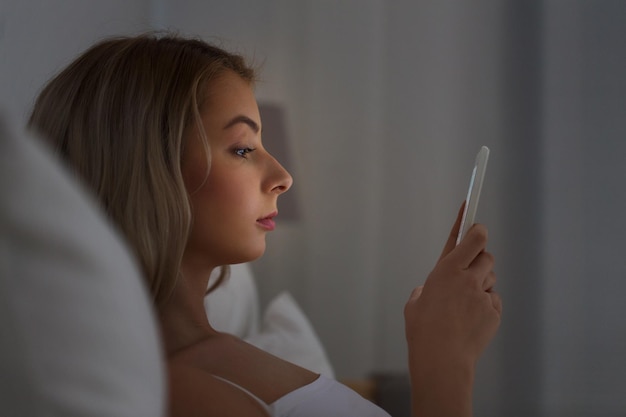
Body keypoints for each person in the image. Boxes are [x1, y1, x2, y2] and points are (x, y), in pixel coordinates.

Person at [28, 32, 502, 417]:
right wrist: (445, 366)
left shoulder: (200, 364)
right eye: (242, 149)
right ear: (146, 167)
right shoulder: (178, 392)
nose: (283, 177)